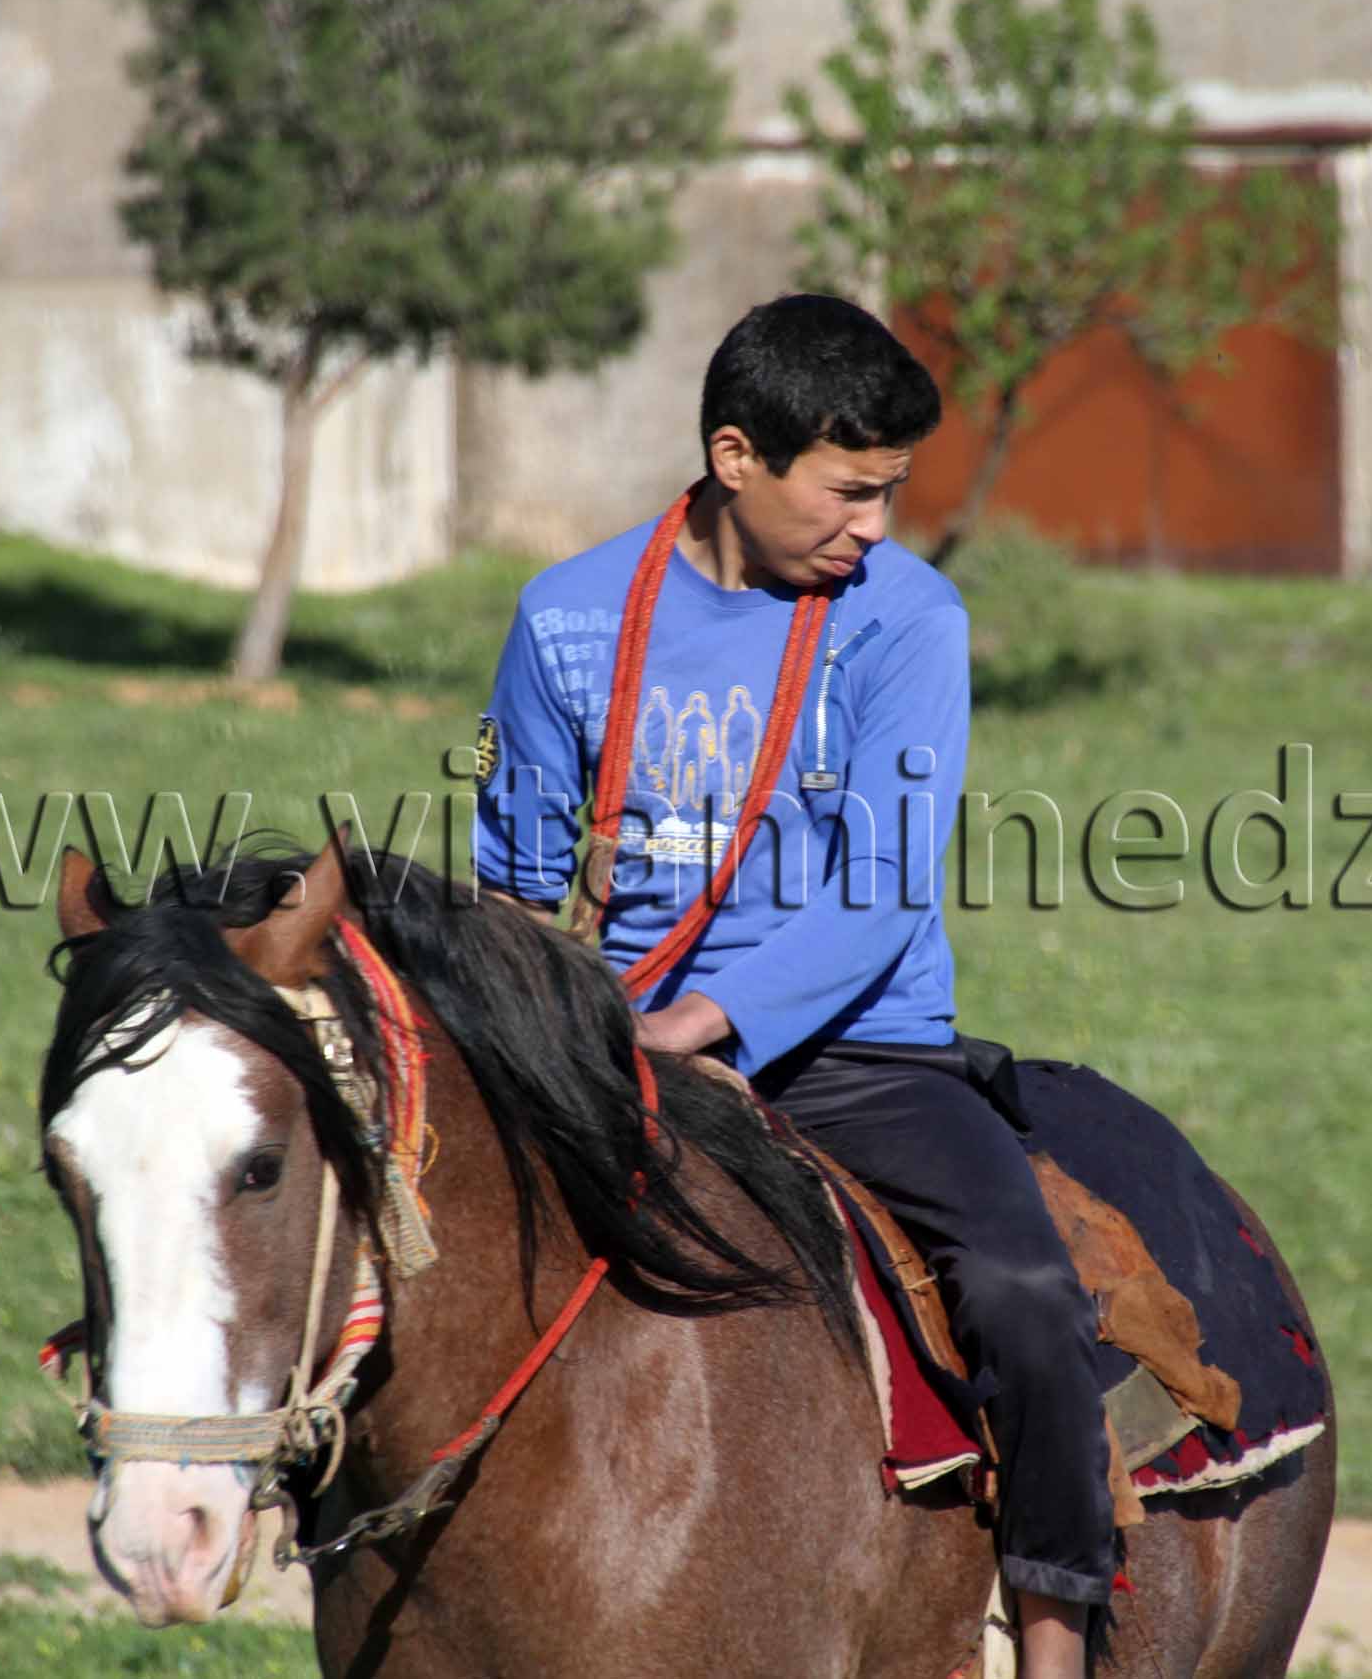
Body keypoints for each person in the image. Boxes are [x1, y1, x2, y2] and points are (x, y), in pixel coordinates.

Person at [471, 293, 1113, 1677]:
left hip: (854, 1050)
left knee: (1027, 1293)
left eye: (891, 494)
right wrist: (547, 1034)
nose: (874, 527)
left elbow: (878, 894)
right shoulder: (567, 617)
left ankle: (1057, 1632)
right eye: (850, 491)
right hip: (617, 1045)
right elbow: (518, 888)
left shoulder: (908, 621)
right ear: (734, 455)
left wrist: (700, 1025)